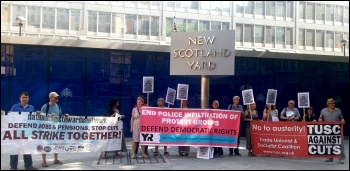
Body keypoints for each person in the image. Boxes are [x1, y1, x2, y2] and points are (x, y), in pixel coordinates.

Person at [9, 92, 38, 170]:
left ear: (28, 98)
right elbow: (9, 118)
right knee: (15, 149)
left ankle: (28, 165)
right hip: (17, 132)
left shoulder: (31, 108)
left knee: (27, 149)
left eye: (26, 97)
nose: (25, 98)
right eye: (23, 97)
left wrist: (37, 114)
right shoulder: (14, 107)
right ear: (20, 98)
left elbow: (33, 119)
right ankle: (13, 167)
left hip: (27, 133)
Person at [40, 92, 66, 167]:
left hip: (56, 129)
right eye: (55, 97)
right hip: (47, 129)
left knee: (56, 143)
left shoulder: (58, 106)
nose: (56, 98)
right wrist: (49, 117)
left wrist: (64, 115)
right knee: (45, 144)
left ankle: (55, 159)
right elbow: (41, 118)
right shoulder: (45, 106)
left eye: (57, 97)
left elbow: (59, 116)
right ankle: (44, 161)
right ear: (50, 98)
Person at [319, 98, 346, 164]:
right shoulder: (323, 111)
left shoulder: (338, 110)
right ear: (328, 104)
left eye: (334, 103)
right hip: (327, 130)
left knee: (340, 144)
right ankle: (330, 157)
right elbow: (320, 118)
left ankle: (341, 158)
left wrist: (343, 121)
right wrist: (320, 120)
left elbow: (342, 119)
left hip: (337, 130)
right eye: (332, 103)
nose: (334, 104)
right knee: (329, 144)